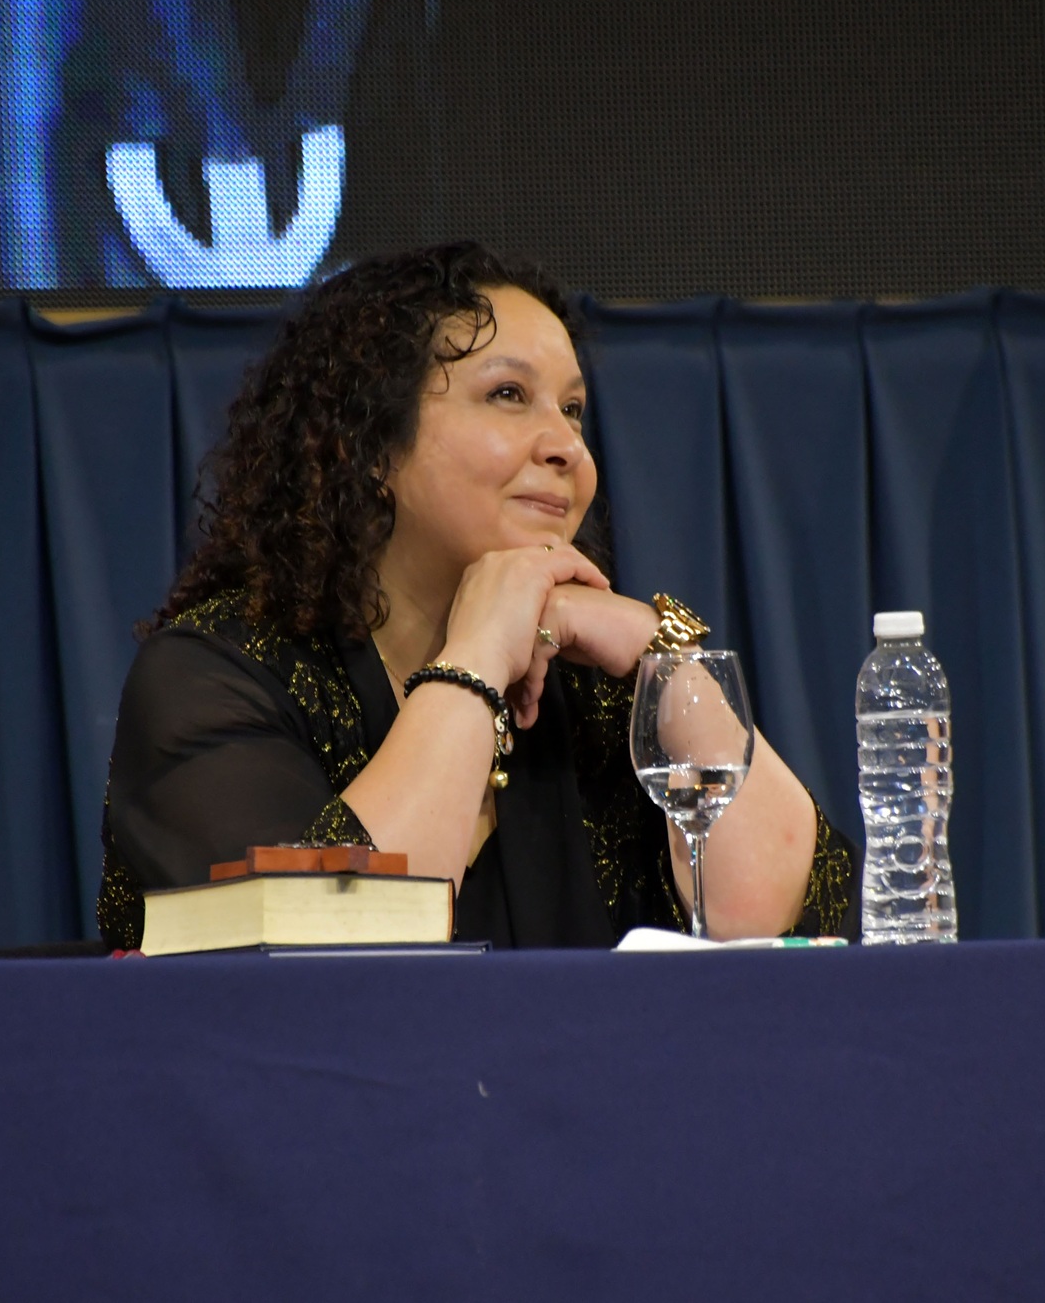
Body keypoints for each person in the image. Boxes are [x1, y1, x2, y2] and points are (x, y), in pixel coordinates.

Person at [98, 242, 854, 949]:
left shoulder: (592, 690)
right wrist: (478, 655)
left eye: (572, 409)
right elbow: (327, 953)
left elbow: (783, 921)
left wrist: (660, 654)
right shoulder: (211, 679)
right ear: (371, 446)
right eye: (508, 394)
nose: (567, 447)